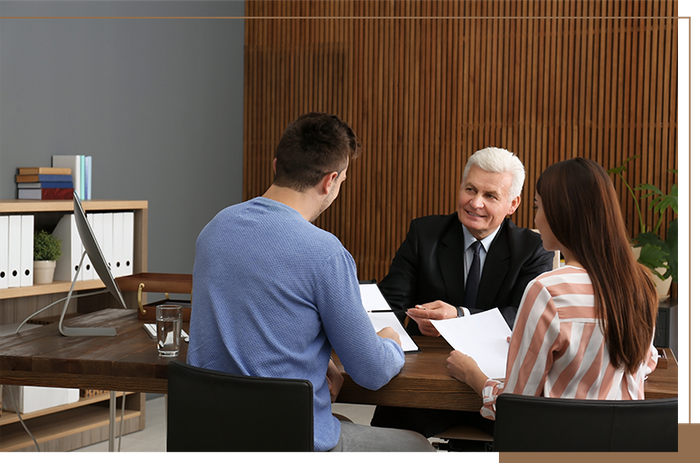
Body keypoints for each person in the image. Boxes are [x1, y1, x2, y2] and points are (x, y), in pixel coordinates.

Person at [186, 112, 435, 454]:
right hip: (289, 440)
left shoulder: (213, 231)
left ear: (277, 165)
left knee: (342, 425)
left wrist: (321, 361)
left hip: (210, 438)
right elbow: (371, 371)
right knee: (417, 447)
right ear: (329, 181)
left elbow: (252, 327)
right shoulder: (324, 252)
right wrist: (390, 342)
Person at [446, 157, 658, 421]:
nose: (535, 218)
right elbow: (646, 361)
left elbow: (515, 406)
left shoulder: (546, 289)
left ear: (561, 214)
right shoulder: (641, 283)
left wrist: (472, 374)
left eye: (537, 206)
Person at [371, 147, 554, 439]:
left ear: (513, 204)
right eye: (470, 189)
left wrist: (458, 316)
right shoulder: (425, 234)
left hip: (497, 380)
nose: (475, 203)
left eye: (490, 196)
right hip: (426, 381)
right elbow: (389, 305)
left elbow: (522, 317)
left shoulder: (532, 250)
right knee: (385, 439)